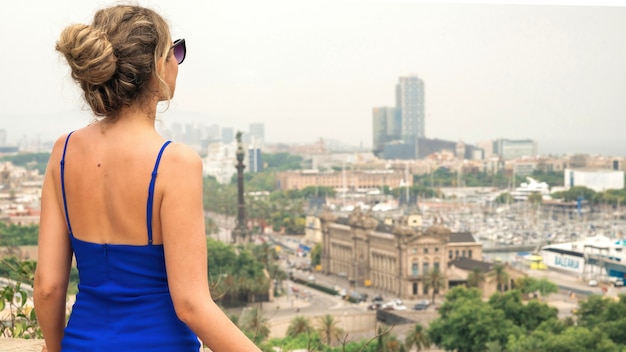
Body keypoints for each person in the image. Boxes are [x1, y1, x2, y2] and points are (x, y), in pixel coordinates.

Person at [33, 5, 261, 352]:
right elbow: (191, 304)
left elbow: (48, 286)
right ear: (157, 65)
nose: (178, 62)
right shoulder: (175, 163)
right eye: (176, 51)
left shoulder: (63, 153)